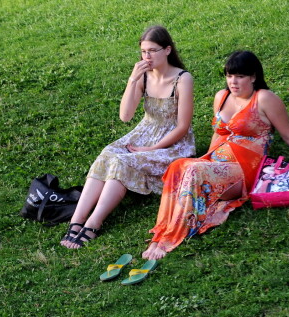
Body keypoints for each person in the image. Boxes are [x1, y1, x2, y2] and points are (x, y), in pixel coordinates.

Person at [143, 50, 289, 260]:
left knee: (191, 170)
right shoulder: (221, 96)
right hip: (218, 161)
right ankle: (161, 232)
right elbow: (218, 134)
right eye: (229, 76)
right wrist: (205, 161)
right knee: (178, 166)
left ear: (253, 76)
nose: (233, 82)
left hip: (246, 169)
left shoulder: (264, 98)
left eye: (240, 76)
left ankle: (168, 239)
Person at [60, 25, 195, 249]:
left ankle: (94, 222)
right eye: (143, 51)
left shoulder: (182, 79)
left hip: (173, 142)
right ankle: (77, 220)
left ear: (168, 50)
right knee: (108, 153)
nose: (147, 56)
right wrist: (133, 80)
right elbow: (125, 116)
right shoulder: (144, 76)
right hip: (145, 132)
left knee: (123, 160)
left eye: (152, 50)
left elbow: (182, 127)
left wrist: (152, 150)